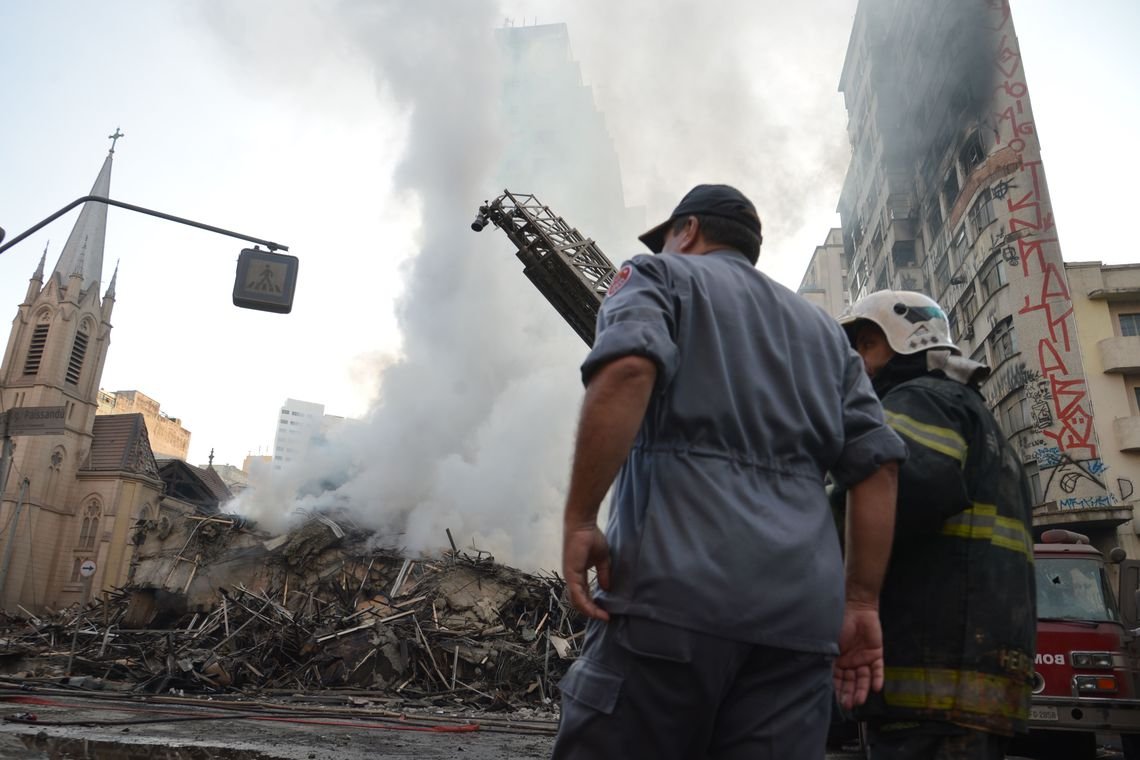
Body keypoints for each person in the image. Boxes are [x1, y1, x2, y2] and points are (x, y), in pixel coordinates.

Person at [551, 184, 907, 759]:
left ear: (686, 230)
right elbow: (878, 468)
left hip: (670, 595)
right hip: (798, 625)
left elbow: (626, 373)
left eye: (668, 238)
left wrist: (579, 519)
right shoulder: (824, 336)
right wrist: (861, 602)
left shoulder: (658, 276)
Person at [835, 290, 1036, 760]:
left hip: (929, 679)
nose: (856, 367)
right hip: (969, 682)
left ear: (905, 344)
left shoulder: (918, 401)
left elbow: (893, 490)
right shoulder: (976, 416)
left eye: (865, 347)